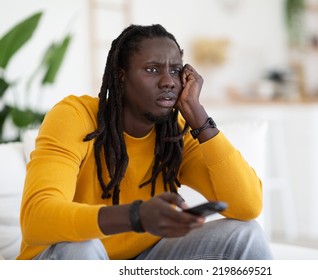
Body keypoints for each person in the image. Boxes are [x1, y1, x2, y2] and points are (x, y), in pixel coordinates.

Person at [17, 24, 272, 260]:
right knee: (83, 246)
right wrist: (135, 216)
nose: (169, 81)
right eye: (152, 69)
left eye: (175, 70)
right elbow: (36, 218)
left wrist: (198, 116)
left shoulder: (176, 134)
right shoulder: (74, 116)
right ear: (121, 76)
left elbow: (247, 207)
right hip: (62, 257)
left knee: (245, 234)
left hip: (143, 258)